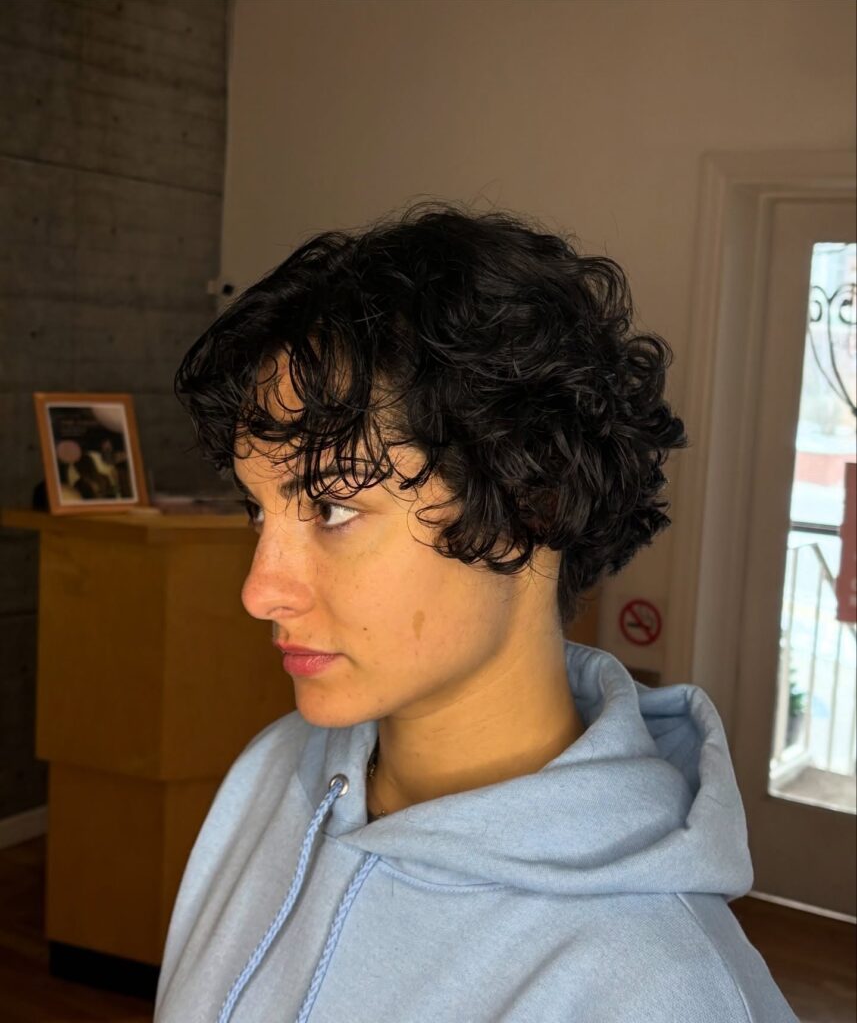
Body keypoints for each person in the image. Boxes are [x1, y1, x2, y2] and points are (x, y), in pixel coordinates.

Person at [154, 201, 798, 1022]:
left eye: (332, 509)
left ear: (531, 502)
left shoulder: (659, 988)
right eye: (259, 511)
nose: (259, 589)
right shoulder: (274, 774)